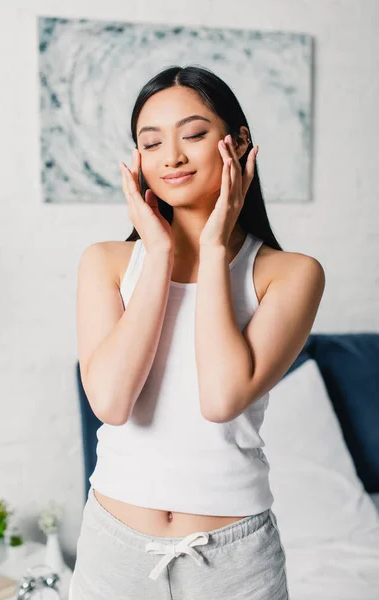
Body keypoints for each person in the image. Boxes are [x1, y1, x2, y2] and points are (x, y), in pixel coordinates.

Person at [70, 64, 325, 599]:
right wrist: (158, 250)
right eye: (151, 142)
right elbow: (112, 403)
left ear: (238, 141)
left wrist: (212, 249)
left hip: (233, 560)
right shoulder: (107, 263)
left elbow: (221, 396)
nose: (172, 157)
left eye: (193, 134)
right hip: (112, 548)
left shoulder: (291, 273)